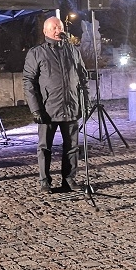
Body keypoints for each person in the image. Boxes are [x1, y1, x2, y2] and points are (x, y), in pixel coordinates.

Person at [23, 16, 89, 194]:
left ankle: (69, 178)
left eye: (59, 27)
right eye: (53, 28)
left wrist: (86, 102)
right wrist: (35, 108)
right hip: (47, 109)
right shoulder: (36, 53)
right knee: (45, 147)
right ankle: (45, 181)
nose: (57, 30)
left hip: (71, 107)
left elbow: (83, 78)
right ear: (45, 31)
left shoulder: (72, 50)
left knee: (72, 147)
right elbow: (28, 81)